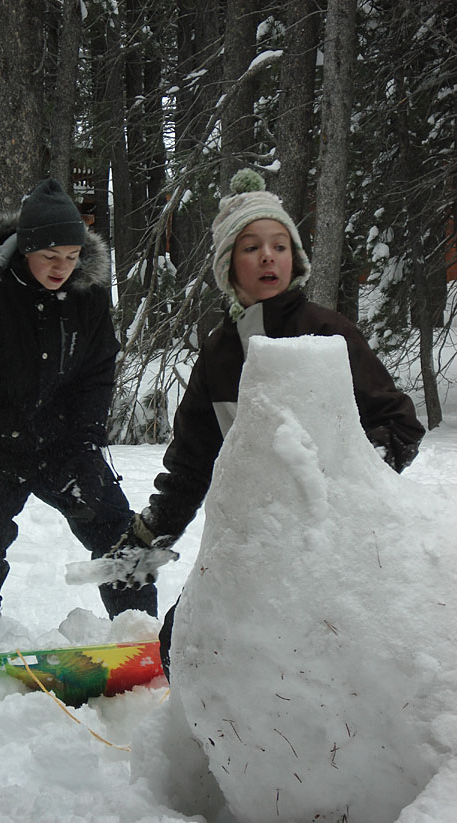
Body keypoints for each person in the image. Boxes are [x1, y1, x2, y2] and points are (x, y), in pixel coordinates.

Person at [102, 168, 426, 676]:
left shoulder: (326, 332)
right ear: (228, 267)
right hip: (251, 537)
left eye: (279, 244)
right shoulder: (217, 355)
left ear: (294, 259)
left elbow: (400, 425)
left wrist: (343, 487)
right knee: (182, 644)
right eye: (251, 246)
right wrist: (150, 533)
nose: (268, 255)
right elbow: (191, 464)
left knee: (319, 659)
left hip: (329, 542)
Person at [0, 178, 157, 631]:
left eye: (71, 256)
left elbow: (97, 370)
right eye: (50, 256)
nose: (61, 267)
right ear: (26, 248)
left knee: (119, 533)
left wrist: (88, 444)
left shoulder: (86, 293)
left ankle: (139, 632)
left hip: (61, 442)